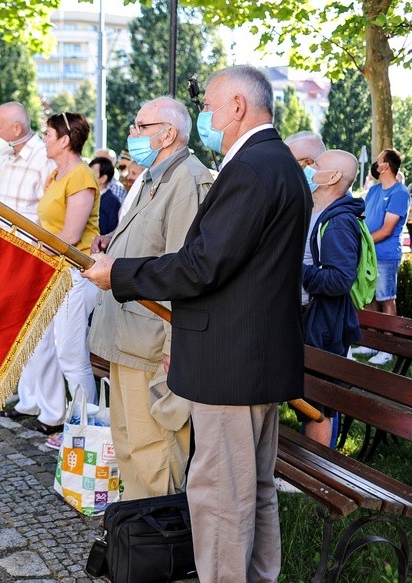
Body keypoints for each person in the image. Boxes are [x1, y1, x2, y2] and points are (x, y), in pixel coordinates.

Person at [82, 65, 310, 582]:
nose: (205, 114)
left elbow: (202, 264)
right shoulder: (275, 163)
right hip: (252, 356)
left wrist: (120, 273)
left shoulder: (252, 168)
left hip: (231, 361)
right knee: (253, 488)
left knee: (220, 494)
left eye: (209, 105)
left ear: (236, 106)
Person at [88, 96, 213, 500]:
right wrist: (113, 245)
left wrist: (178, 346)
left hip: (154, 345)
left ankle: (160, 550)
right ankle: (136, 545)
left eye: (141, 127)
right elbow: (150, 246)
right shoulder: (155, 176)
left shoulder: (189, 180)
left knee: (155, 452)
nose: (132, 134)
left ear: (168, 133)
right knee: (128, 445)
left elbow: (185, 270)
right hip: (129, 336)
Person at [12, 112, 100, 444]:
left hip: (75, 275)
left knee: (71, 356)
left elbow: (71, 235)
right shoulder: (55, 175)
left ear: (65, 140)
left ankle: (84, 430)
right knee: (45, 346)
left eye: (49, 134)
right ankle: (63, 417)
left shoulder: (81, 176)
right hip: (52, 271)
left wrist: (38, 251)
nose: (44, 138)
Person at [301, 149, 363, 446]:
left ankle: (315, 470)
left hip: (324, 322)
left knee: (318, 401)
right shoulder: (317, 213)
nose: (311, 167)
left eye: (317, 164)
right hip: (312, 317)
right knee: (308, 394)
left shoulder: (338, 221)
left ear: (334, 176)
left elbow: (340, 279)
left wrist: (294, 271)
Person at [364, 149, 409, 323]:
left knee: (386, 298)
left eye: (378, 161)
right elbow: (364, 218)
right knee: (370, 297)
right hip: (369, 254)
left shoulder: (399, 193)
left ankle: (388, 345)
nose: (374, 165)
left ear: (385, 166)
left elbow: (387, 230)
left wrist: (362, 242)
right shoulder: (374, 191)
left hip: (386, 255)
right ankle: (372, 342)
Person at [0, 101, 53, 224]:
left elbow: (50, 215)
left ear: (17, 129)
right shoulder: (7, 156)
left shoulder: (44, 159)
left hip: (26, 243)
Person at [88, 156, 121, 235]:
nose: (87, 176)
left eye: (91, 174)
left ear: (103, 178)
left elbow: (106, 231)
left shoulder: (111, 202)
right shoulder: (91, 196)